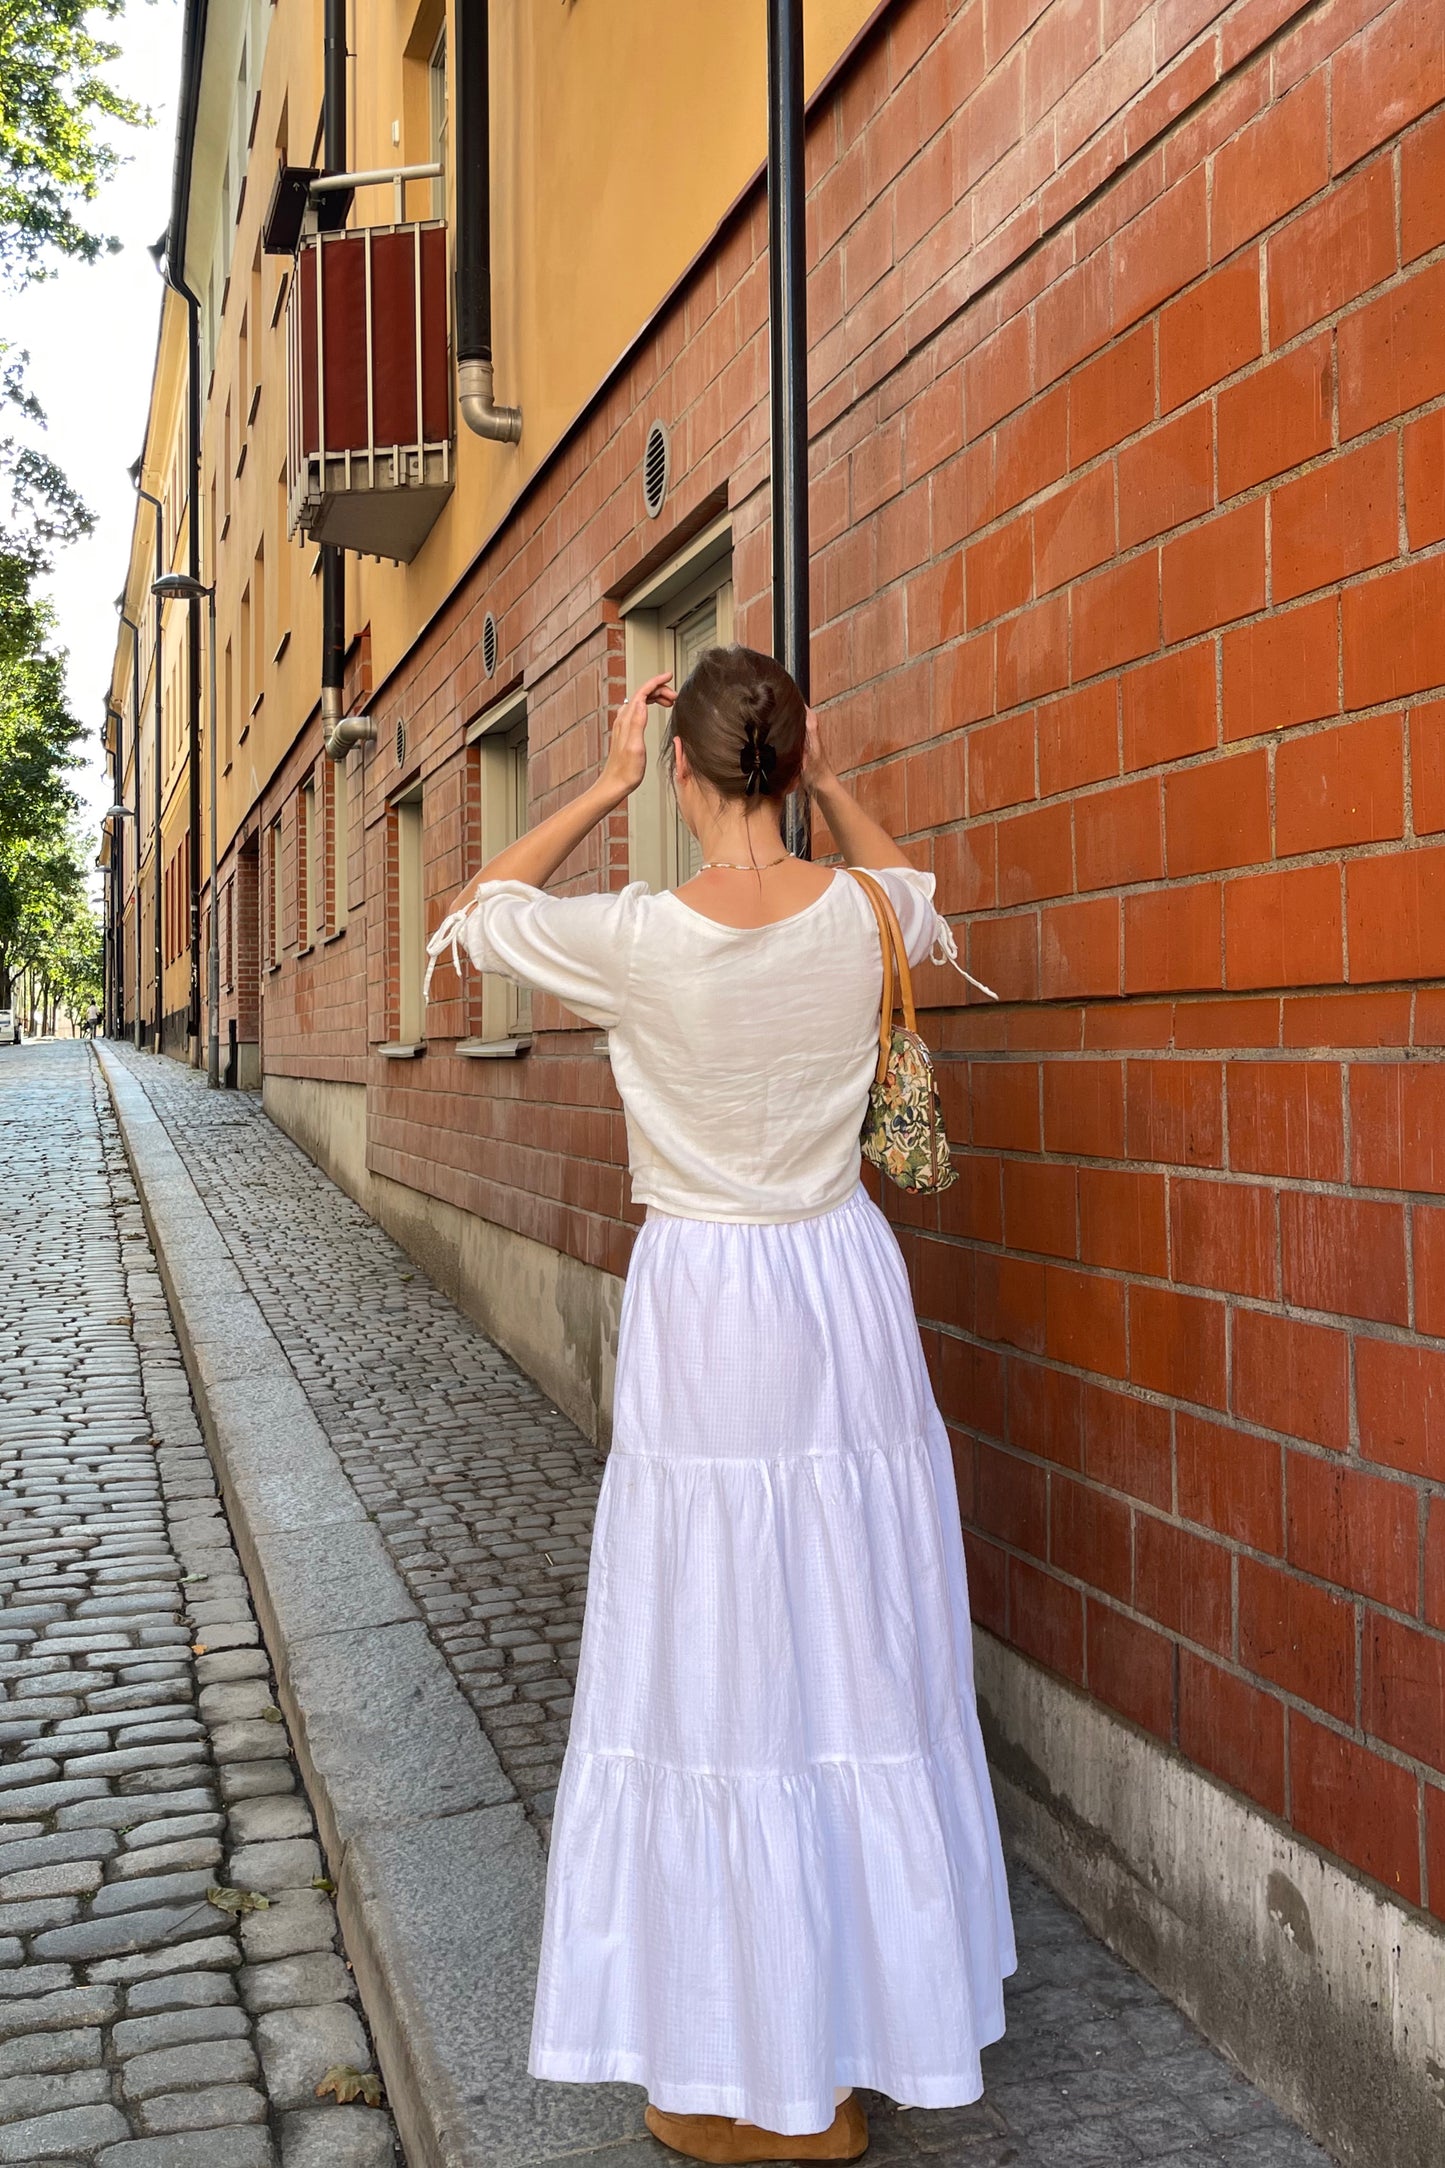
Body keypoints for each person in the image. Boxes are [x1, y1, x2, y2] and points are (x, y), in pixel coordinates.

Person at [426, 646, 1015, 2163]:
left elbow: (480, 909)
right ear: (791, 762)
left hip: (707, 1299)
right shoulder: (864, 913)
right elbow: (923, 890)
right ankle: (850, 2051)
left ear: (682, 769)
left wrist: (600, 784)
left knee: (717, 1650)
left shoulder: (639, 938)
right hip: (842, 1287)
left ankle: (750, 2068)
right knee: (851, 1641)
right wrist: (837, 785)